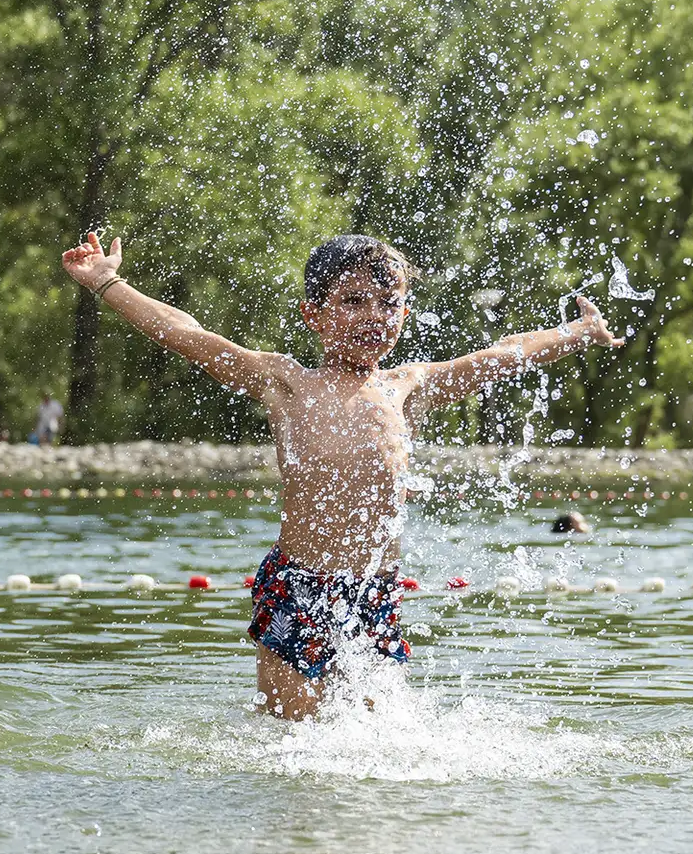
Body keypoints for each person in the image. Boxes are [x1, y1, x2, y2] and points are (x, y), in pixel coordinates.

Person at [61, 230, 623, 720]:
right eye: (353, 302)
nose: (374, 317)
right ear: (314, 314)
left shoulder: (407, 387)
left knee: (376, 742)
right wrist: (109, 285)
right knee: (294, 742)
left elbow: (501, 355)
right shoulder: (286, 384)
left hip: (375, 595)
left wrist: (577, 333)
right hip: (297, 587)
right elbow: (187, 334)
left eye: (388, 303)